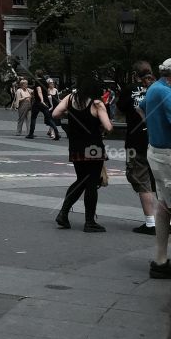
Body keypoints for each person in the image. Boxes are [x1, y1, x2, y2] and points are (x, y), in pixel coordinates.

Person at [52, 77, 112, 232]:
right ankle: (89, 222)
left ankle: (63, 213)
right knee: (91, 183)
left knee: (80, 180)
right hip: (94, 148)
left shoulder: (70, 98)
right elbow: (108, 126)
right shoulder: (97, 103)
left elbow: (55, 114)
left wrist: (71, 115)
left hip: (76, 147)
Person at [122, 61, 157, 235]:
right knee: (161, 181)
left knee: (141, 180)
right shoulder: (161, 88)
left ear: (135, 74)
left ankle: (151, 223)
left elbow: (121, 109)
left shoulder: (129, 90)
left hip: (135, 141)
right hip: (158, 140)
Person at [145, 58, 171, 279]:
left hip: (155, 150)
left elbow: (140, 108)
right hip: (168, 155)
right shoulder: (167, 93)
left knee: (163, 207)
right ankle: (161, 262)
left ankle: (161, 260)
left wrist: (154, 130)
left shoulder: (155, 88)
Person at [26, 71, 60, 140]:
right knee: (49, 119)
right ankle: (56, 133)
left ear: (36, 75)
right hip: (46, 103)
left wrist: (41, 100)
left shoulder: (37, 81)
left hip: (38, 102)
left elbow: (39, 91)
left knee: (33, 118)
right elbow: (47, 92)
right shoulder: (45, 82)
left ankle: (31, 134)